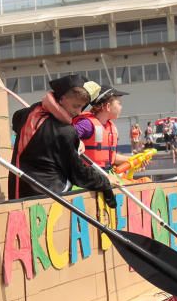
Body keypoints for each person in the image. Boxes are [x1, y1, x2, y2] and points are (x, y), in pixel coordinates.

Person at [9, 74, 115, 206]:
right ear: (61, 99)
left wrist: (76, 141)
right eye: (75, 106)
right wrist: (104, 182)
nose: (78, 112)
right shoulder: (64, 131)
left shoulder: (30, 112)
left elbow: (16, 118)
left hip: (18, 191)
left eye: (81, 107)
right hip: (47, 196)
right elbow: (78, 174)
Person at [74, 84, 131, 171]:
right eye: (119, 103)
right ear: (108, 107)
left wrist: (134, 160)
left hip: (105, 173)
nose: (121, 107)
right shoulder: (87, 124)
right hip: (88, 175)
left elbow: (112, 157)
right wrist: (77, 141)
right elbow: (65, 137)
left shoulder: (111, 127)